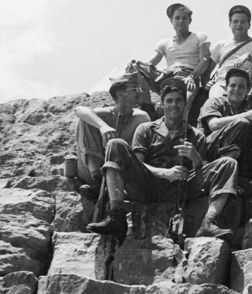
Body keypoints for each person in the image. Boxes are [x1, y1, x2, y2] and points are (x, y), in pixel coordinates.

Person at [88, 76, 240, 243]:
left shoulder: (196, 135)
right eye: (169, 101)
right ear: (162, 105)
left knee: (228, 163)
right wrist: (166, 173)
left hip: (181, 188)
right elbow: (137, 164)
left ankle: (208, 222)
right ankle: (116, 216)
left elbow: (201, 174)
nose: (174, 105)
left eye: (178, 101)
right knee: (115, 144)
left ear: (185, 104)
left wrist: (195, 158)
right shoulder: (145, 129)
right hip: (148, 184)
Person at [72, 73, 152, 212]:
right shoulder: (106, 114)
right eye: (135, 89)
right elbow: (79, 110)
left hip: (121, 175)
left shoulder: (141, 117)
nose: (140, 93)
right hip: (93, 171)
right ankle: (96, 180)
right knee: (85, 121)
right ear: (122, 94)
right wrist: (103, 126)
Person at [199, 64, 252, 168]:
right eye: (232, 85)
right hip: (210, 151)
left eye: (241, 86)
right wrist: (247, 115)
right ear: (226, 88)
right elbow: (213, 125)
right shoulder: (214, 102)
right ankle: (222, 169)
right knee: (242, 123)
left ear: (247, 90)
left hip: (241, 154)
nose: (237, 89)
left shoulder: (248, 107)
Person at [208, 5, 252, 98]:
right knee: (215, 101)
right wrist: (205, 85)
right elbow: (207, 71)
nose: (239, 25)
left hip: (247, 81)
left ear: (249, 25)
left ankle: (251, 98)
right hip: (224, 82)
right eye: (235, 21)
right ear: (230, 24)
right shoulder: (220, 45)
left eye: (243, 22)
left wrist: (250, 57)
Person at [148, 4, 211, 84]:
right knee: (136, 68)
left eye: (184, 18)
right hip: (168, 76)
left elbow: (205, 61)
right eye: (177, 18)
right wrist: (135, 62)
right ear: (171, 20)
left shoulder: (200, 37)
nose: (181, 21)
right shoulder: (164, 43)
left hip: (188, 77)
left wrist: (191, 77)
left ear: (190, 20)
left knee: (183, 92)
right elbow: (151, 63)